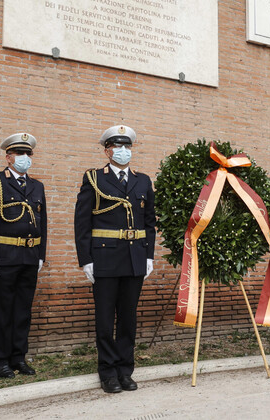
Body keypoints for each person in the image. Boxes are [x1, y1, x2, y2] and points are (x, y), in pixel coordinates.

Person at [74, 125, 156, 393]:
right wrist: (86, 259)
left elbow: (149, 222)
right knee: (105, 319)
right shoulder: (94, 178)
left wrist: (149, 254)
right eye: (118, 147)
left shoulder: (142, 180)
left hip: (134, 258)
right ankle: (107, 372)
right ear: (107, 150)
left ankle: (125, 369)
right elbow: (82, 222)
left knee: (128, 319)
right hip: (105, 258)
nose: (123, 151)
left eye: (127, 147)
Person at [0, 133, 46, 378]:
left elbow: (42, 222)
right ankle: (1, 360)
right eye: (20, 154)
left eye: (28, 154)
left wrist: (40, 254)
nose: (25, 158)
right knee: (4, 310)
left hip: (29, 255)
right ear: (8, 157)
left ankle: (19, 357)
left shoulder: (37, 185)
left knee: (23, 310)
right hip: (4, 255)